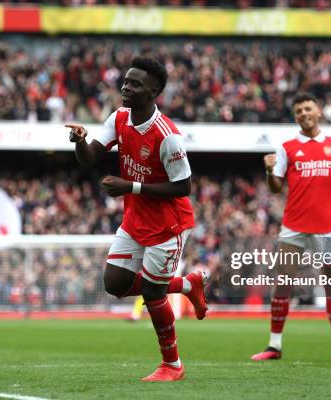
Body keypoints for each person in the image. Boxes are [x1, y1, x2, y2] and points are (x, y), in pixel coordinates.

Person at [65, 56, 209, 381]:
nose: (125, 87)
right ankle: (188, 284)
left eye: (135, 84)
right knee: (114, 284)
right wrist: (79, 142)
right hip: (134, 220)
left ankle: (172, 365)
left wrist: (130, 185)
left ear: (153, 91)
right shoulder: (118, 118)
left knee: (153, 292)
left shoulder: (167, 135)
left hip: (167, 226)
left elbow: (183, 186)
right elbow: (90, 158)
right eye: (126, 81)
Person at [252, 93, 331, 362]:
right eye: (299, 111)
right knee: (283, 284)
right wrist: (269, 172)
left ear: (318, 112)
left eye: (308, 108)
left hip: (327, 225)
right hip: (294, 225)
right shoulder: (287, 147)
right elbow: (276, 187)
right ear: (296, 117)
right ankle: (274, 345)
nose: (303, 113)